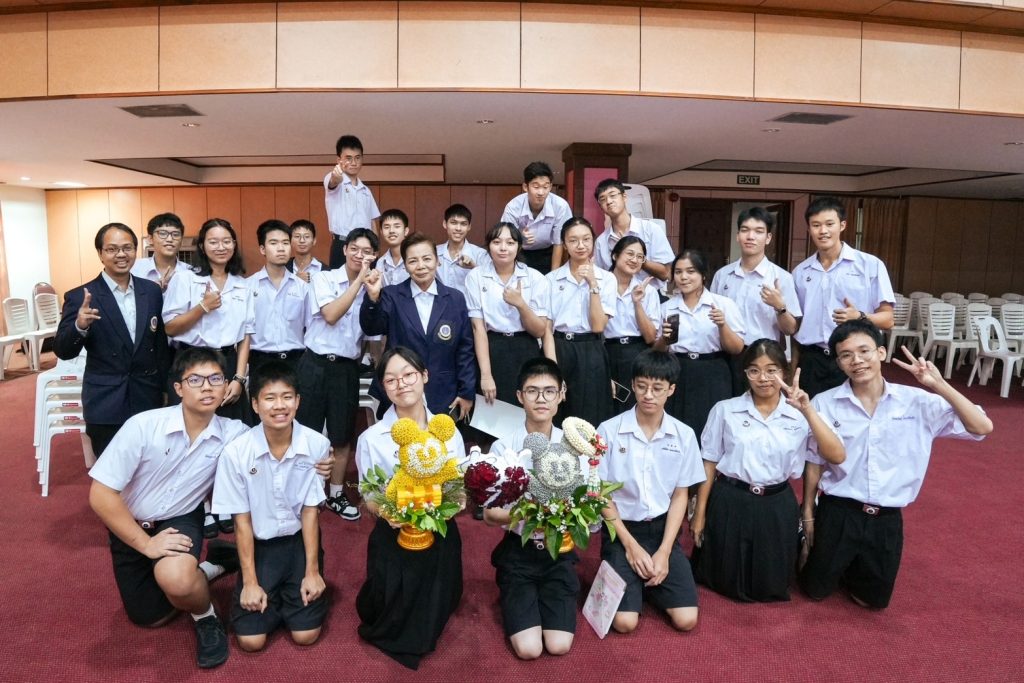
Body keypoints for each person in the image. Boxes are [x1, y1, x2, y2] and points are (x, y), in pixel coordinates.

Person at [799, 320, 992, 609]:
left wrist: (939, 385)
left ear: (881, 352)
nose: (857, 361)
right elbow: (814, 461)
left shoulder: (916, 402)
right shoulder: (824, 403)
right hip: (838, 511)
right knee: (814, 589)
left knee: (872, 602)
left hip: (886, 517)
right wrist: (808, 514)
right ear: (838, 363)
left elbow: (982, 427)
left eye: (864, 351)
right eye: (846, 355)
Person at [87, 348, 249, 669]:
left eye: (216, 379)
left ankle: (205, 616)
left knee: (176, 580)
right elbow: (101, 495)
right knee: (149, 616)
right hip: (131, 521)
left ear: (226, 386)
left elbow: (273, 447)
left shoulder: (234, 434)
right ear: (178, 388)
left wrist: (318, 459)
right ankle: (214, 564)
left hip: (180, 516)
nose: (207, 387)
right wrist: (147, 544)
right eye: (195, 380)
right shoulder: (143, 426)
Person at [691, 339, 845, 602]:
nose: (763, 378)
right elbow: (709, 462)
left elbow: (836, 455)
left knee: (769, 584)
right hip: (730, 499)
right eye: (754, 370)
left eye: (771, 370)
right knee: (722, 578)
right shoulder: (725, 410)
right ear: (745, 374)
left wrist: (808, 410)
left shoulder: (801, 414)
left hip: (776, 502)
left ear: (785, 372)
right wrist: (699, 513)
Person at [354, 347, 466, 670]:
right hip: (395, 531)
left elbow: (458, 487)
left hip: (438, 530)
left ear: (425, 376)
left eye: (408, 375)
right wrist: (388, 513)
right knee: (393, 616)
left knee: (433, 606)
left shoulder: (447, 430)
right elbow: (369, 495)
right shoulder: (372, 438)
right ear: (383, 387)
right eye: (391, 380)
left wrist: (451, 506)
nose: (401, 384)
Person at [212, 361, 329, 652]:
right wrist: (250, 582)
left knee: (306, 636)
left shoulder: (316, 444)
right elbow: (241, 521)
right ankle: (255, 580)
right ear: (255, 404)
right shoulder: (236, 453)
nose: (279, 406)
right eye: (269, 398)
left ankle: (285, 596)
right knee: (251, 641)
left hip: (298, 542)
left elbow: (310, 512)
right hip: (259, 543)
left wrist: (312, 571)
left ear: (298, 401)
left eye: (287, 397)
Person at [596, 350, 704, 634]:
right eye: (642, 386)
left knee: (686, 620)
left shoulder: (684, 434)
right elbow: (601, 494)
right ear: (632, 384)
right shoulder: (608, 431)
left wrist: (665, 551)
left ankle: (645, 581)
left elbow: (680, 495)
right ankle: (629, 574)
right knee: (624, 623)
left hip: (661, 531)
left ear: (671, 389)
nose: (648, 395)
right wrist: (631, 547)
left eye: (657, 388)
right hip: (621, 531)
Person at [483, 359, 582, 660]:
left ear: (561, 394)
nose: (541, 399)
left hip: (559, 552)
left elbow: (589, 505)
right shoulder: (503, 448)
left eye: (549, 391)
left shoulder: (576, 446)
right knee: (529, 650)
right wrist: (532, 512)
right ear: (519, 396)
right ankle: (515, 594)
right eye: (532, 391)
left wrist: (567, 512)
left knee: (559, 645)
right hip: (519, 552)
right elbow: (489, 515)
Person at [54, 222, 169, 457]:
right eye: (112, 249)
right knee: (109, 469)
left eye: (127, 248)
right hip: (106, 402)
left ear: (135, 250)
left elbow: (159, 346)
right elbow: (63, 351)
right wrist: (79, 326)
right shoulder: (81, 296)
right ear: (100, 253)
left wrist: (164, 388)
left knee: (150, 466)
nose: (121, 254)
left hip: (147, 397)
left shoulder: (152, 291)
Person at [296, 228, 379, 522]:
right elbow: (331, 315)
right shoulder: (324, 279)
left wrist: (373, 296)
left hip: (346, 369)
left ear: (374, 255)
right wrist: (359, 281)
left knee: (342, 436)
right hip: (314, 364)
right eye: (354, 249)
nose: (359, 255)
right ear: (344, 250)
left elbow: (373, 335)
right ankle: (304, 493)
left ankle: (335, 494)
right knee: (305, 434)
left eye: (366, 251)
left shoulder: (374, 287)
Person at [360, 233, 476, 422]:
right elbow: (371, 328)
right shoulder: (392, 295)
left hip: (444, 393)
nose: (421, 266)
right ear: (405, 266)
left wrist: (466, 392)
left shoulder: (455, 299)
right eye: (413, 261)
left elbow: (465, 349)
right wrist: (373, 298)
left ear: (437, 261)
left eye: (427, 259)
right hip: (400, 392)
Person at [792, 196, 894, 398]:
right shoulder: (800, 272)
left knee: (856, 412)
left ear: (842, 225)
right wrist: (793, 368)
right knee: (809, 414)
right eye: (816, 225)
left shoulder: (870, 265)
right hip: (812, 360)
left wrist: (860, 317)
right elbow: (797, 326)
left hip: (854, 358)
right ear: (809, 229)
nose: (823, 231)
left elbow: (888, 319)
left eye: (829, 224)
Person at [163, 218, 253, 423]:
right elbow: (170, 328)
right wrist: (202, 307)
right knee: (190, 427)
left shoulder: (242, 284)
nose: (221, 247)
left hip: (228, 364)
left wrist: (239, 378)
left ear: (234, 245)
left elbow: (246, 335)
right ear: (202, 246)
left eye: (227, 241)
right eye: (213, 242)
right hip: (191, 363)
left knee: (231, 429)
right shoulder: (185, 278)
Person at [710, 206, 801, 394]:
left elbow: (790, 329)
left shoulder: (782, 277)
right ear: (738, 236)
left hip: (764, 356)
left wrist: (780, 307)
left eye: (759, 231)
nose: (750, 236)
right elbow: (711, 319)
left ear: (768, 238)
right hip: (726, 355)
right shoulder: (723, 275)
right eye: (745, 230)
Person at [654, 249, 745, 438]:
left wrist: (722, 325)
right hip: (678, 370)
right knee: (678, 426)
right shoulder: (666, 307)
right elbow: (656, 351)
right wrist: (664, 339)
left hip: (713, 371)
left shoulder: (723, 304)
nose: (684, 277)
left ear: (703, 275)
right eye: (678, 272)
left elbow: (737, 348)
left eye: (690, 271)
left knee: (712, 427)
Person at [466, 222, 549, 407]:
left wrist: (521, 304)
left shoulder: (535, 277)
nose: (503, 248)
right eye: (497, 242)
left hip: (526, 347)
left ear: (518, 247)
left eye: (510, 243)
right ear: (488, 246)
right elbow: (478, 328)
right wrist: (486, 375)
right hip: (491, 348)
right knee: (492, 411)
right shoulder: (476, 276)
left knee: (527, 407)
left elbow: (539, 331)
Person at [545, 216, 617, 427]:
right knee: (557, 412)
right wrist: (553, 369)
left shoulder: (607, 279)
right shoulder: (551, 279)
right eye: (573, 240)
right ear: (564, 244)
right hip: (559, 347)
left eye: (586, 239)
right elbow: (546, 329)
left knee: (591, 414)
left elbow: (598, 326)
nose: (581, 245)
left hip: (591, 348)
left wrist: (593, 284)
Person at [245, 220, 308, 382]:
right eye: (274, 243)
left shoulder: (303, 287)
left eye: (285, 243)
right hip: (260, 360)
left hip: (295, 360)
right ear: (262, 249)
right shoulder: (247, 286)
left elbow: (311, 327)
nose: (281, 248)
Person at [605, 235, 661, 411]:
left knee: (634, 407)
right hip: (605, 351)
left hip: (637, 352)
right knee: (605, 406)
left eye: (640, 257)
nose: (635, 260)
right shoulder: (599, 285)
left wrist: (637, 303)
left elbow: (651, 337)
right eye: (630, 254)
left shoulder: (649, 291)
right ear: (615, 255)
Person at [593, 179, 673, 285]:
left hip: (650, 293)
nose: (608, 201)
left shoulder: (651, 229)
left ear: (624, 197)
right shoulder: (601, 242)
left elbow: (666, 274)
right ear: (601, 207)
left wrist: (637, 258)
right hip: (616, 294)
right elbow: (601, 278)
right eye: (602, 199)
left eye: (613, 195)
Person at [500, 161, 572, 274]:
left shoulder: (560, 206)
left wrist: (553, 275)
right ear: (525, 187)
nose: (541, 192)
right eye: (536, 186)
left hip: (549, 252)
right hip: (520, 252)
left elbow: (559, 242)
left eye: (545, 187)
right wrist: (519, 237)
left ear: (550, 186)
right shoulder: (513, 206)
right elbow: (505, 237)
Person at [324, 134, 380, 269]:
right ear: (339, 160)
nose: (354, 163)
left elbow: (372, 221)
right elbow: (333, 182)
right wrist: (336, 176)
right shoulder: (335, 179)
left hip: (366, 247)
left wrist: (376, 247)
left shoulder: (366, 190)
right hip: (342, 244)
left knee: (366, 281)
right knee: (340, 281)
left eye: (357, 158)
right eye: (348, 158)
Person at [131, 212, 194, 291]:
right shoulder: (134, 268)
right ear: (150, 239)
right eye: (163, 234)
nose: (170, 239)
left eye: (176, 234)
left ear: (181, 240)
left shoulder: (190, 271)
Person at [436, 203, 489, 292]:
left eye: (463, 224)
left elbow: (489, 286)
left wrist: (474, 267)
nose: (458, 228)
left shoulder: (480, 254)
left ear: (469, 227)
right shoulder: (434, 253)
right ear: (445, 224)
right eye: (453, 223)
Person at [375, 208, 411, 287]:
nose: (391, 231)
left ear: (406, 231)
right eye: (386, 227)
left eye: (397, 226)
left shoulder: (415, 258)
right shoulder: (381, 262)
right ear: (381, 232)